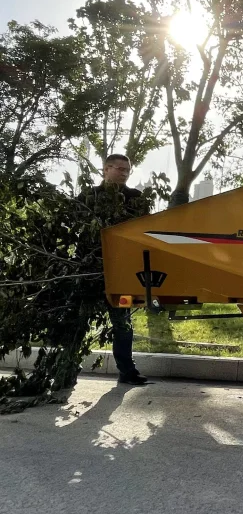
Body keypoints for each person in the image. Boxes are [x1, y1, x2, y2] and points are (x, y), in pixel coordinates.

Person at [79, 154, 152, 386]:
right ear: (106, 169)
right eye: (119, 169)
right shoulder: (88, 196)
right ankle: (67, 365)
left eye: (127, 170)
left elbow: (145, 232)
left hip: (122, 273)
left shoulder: (136, 198)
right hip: (89, 270)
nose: (124, 173)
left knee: (123, 322)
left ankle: (127, 371)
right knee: (79, 320)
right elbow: (77, 225)